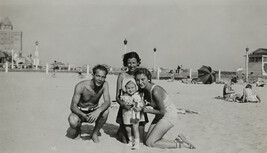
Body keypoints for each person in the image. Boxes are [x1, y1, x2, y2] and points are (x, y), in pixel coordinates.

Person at [134, 67, 195, 149]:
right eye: (137, 80)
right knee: (146, 141)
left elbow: (162, 111)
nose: (140, 82)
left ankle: (181, 145)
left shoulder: (155, 91)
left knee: (150, 143)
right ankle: (179, 140)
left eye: (142, 79)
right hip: (160, 115)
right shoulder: (144, 90)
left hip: (169, 114)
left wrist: (145, 110)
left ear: (148, 78)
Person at [67, 64, 111, 143]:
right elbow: (73, 106)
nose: (100, 79)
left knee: (106, 112)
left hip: (94, 111)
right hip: (80, 112)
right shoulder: (81, 86)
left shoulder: (104, 84)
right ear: (93, 75)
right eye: (98, 76)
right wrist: (83, 115)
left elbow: (107, 102)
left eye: (103, 77)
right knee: (73, 120)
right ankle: (78, 131)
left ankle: (94, 133)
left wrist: (97, 111)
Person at [115, 51, 148, 144]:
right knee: (125, 141)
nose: (132, 65)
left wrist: (142, 105)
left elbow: (147, 94)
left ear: (138, 62)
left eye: (134, 62)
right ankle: (121, 130)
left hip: (138, 109)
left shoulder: (141, 75)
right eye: (129, 62)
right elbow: (117, 96)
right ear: (126, 63)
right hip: (125, 108)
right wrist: (122, 104)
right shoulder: (122, 76)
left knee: (140, 140)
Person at [120, 78, 145, 149]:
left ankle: (137, 142)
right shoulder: (124, 96)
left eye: (132, 88)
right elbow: (122, 102)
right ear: (125, 88)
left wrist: (138, 105)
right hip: (126, 114)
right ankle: (131, 141)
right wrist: (125, 103)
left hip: (135, 114)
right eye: (128, 88)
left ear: (136, 88)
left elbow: (141, 103)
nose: (130, 90)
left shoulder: (137, 95)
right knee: (127, 128)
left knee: (135, 128)